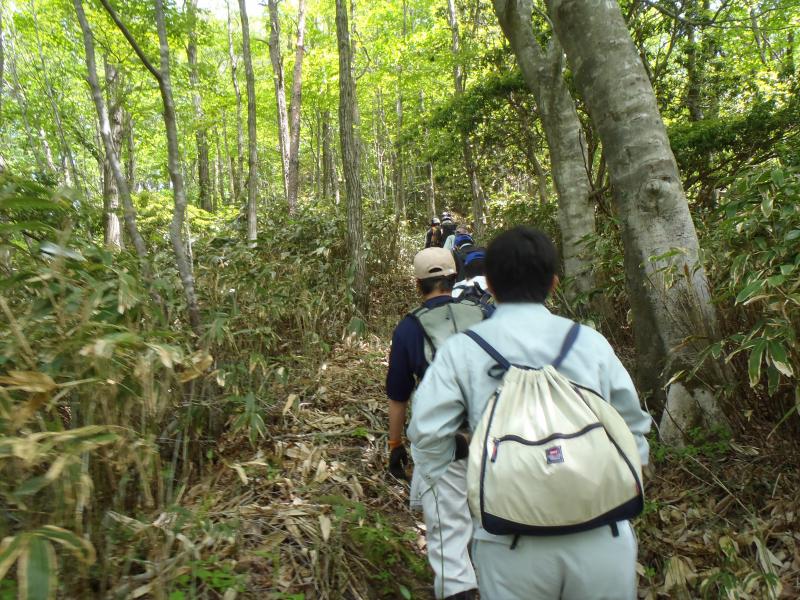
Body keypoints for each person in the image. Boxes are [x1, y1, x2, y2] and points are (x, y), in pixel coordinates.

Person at [408, 226, 651, 600]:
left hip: (509, 541)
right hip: (604, 534)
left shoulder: (463, 351)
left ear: (489, 284)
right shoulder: (590, 343)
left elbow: (425, 434)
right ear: (554, 283)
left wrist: (467, 482)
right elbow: (633, 427)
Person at [386, 247, 484, 600]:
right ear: (454, 278)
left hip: (443, 445)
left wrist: (395, 447)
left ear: (418, 284)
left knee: (448, 541)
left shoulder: (410, 327)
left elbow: (398, 397)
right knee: (489, 525)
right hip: (494, 440)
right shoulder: (485, 312)